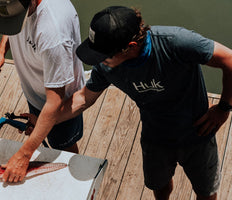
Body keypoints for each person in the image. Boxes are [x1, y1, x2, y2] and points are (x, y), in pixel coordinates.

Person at [26, 6, 232, 200]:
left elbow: (229, 60)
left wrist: (223, 108)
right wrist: (46, 121)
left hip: (198, 133)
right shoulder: (105, 68)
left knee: (206, 192)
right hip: (155, 137)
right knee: (159, 186)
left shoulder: (177, 42)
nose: (98, 61)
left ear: (130, 47)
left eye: (104, 55)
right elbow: (82, 98)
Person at [0, 0, 85, 183]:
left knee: (64, 147)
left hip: (61, 103)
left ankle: (69, 180)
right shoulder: (16, 5)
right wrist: (0, 52)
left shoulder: (54, 33)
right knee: (40, 130)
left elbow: (54, 103)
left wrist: (24, 155)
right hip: (36, 89)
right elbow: (11, 23)